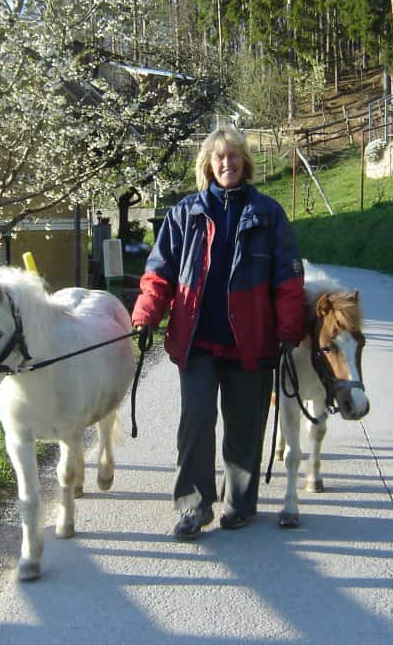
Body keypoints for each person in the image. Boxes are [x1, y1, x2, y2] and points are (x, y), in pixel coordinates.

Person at [132, 125, 307, 539]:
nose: (227, 163)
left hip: (252, 340)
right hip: (197, 339)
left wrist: (289, 328)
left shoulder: (268, 215)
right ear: (208, 165)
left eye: (234, 156)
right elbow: (159, 273)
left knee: (245, 425)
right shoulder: (185, 214)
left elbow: (288, 280)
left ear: (245, 162)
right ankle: (194, 506)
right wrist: (146, 315)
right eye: (219, 157)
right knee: (196, 421)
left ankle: (239, 504)